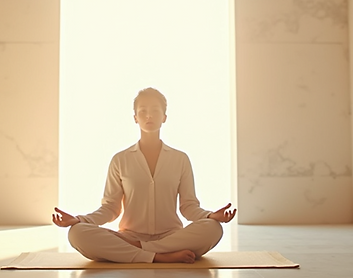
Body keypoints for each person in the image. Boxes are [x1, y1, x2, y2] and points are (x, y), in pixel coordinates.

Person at [52, 87, 237, 263]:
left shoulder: (180, 159)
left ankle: (140, 250)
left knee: (213, 229)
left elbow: (188, 206)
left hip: (171, 236)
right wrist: (79, 220)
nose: (149, 115)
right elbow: (110, 208)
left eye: (155, 111)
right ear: (135, 118)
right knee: (76, 233)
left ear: (164, 117)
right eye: (143, 111)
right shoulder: (120, 160)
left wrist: (211, 216)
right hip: (129, 236)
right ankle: (158, 256)